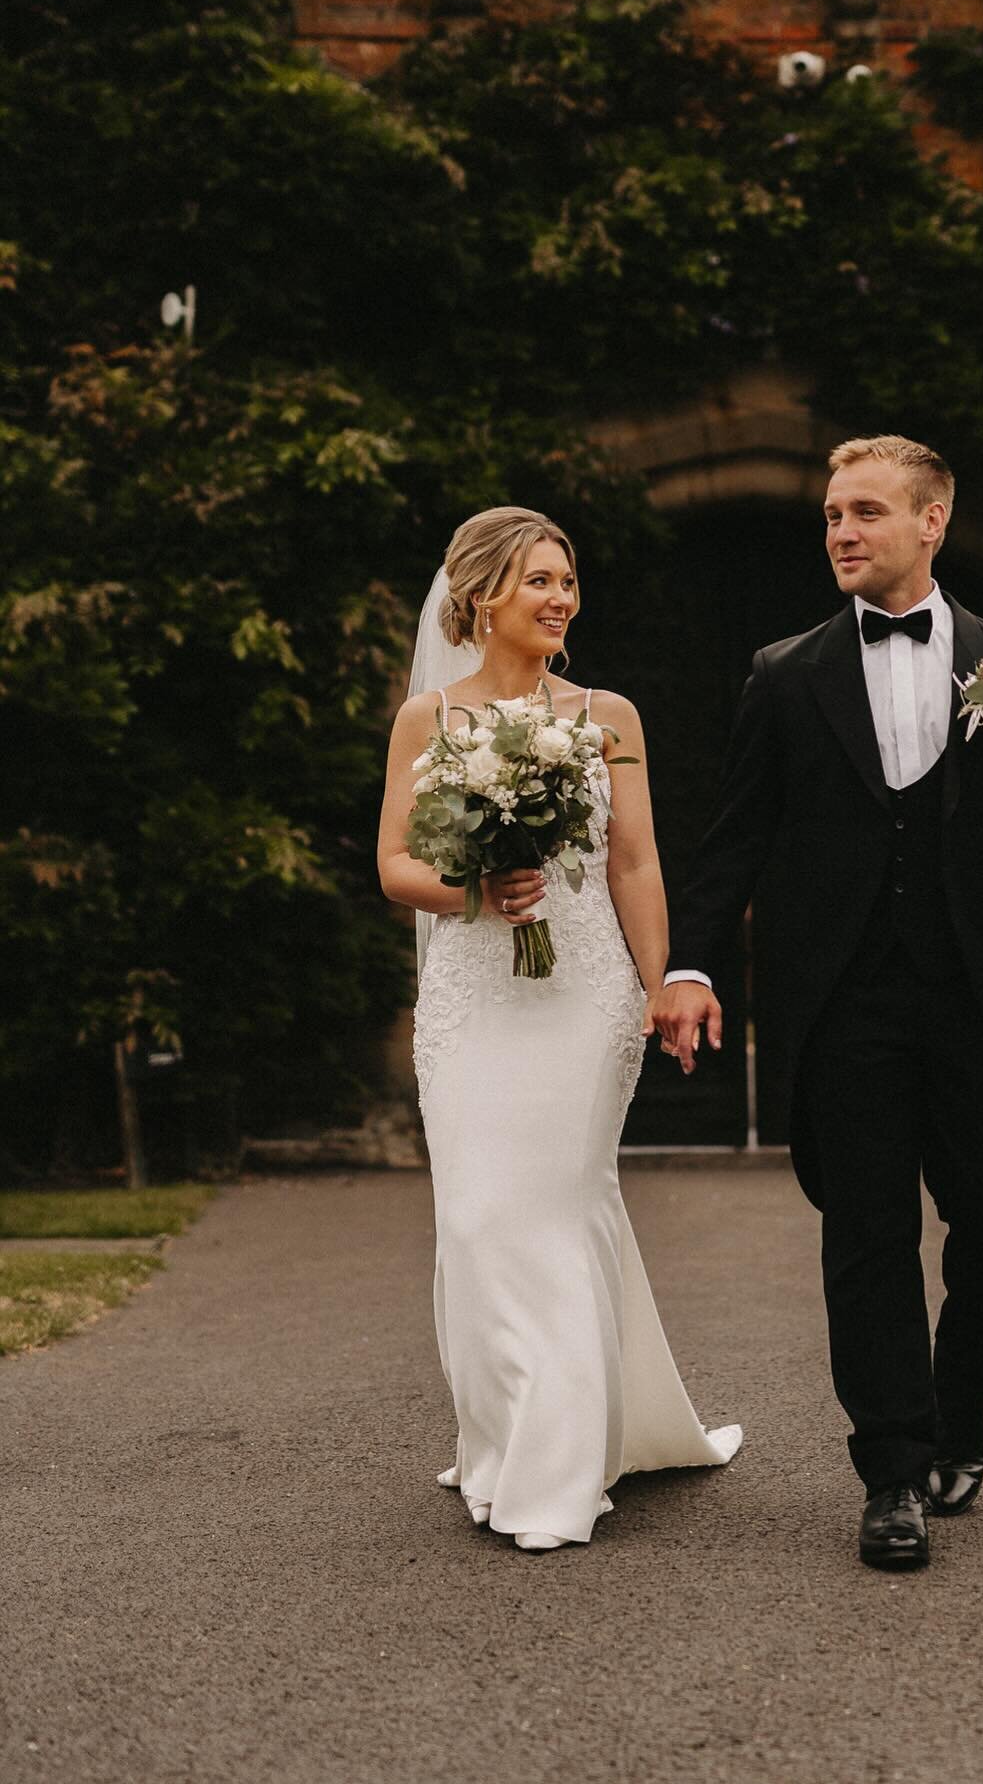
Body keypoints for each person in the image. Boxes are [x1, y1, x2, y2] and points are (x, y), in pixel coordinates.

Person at [654, 436, 983, 1571]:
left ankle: (964, 1392)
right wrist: (692, 964)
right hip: (844, 1001)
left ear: (932, 522)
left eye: (864, 512)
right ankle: (892, 1471)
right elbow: (735, 836)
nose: (840, 532)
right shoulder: (785, 674)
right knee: (868, 1236)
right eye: (831, 516)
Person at [377, 506, 741, 1553]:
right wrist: (475, 890)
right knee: (479, 1222)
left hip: (584, 994)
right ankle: (505, 1439)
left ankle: (556, 1470)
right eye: (539, 580)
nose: (561, 598)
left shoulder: (607, 715)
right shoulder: (429, 721)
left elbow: (633, 861)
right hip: (472, 998)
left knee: (554, 1207)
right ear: (481, 594)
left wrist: (663, 980)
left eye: (568, 581)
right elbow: (397, 866)